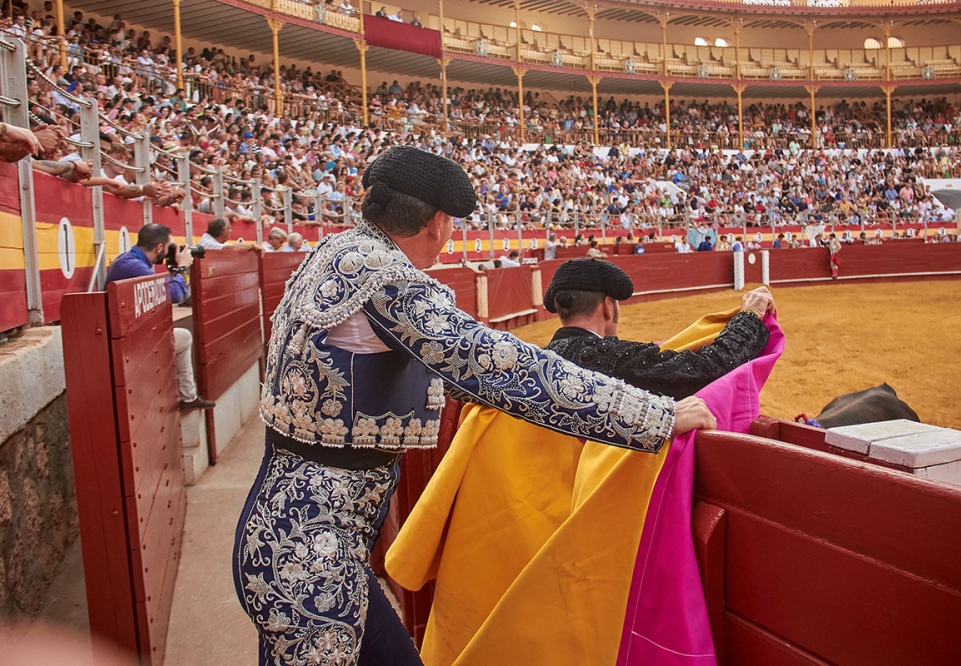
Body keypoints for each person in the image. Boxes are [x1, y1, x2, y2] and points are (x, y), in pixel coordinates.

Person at [233, 146, 714, 666]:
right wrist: (652, 415)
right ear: (438, 224)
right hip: (310, 551)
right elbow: (499, 367)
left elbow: (438, 374)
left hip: (299, 536)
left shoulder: (336, 252)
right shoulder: (387, 278)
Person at [543, 258, 774, 400]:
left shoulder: (540, 360)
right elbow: (708, 369)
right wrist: (749, 317)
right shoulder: (612, 359)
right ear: (607, 307)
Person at [105, 224, 215, 411]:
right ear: (159, 248)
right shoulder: (134, 266)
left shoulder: (129, 261)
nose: (168, 252)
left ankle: (187, 397)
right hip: (126, 342)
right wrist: (182, 267)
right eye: (168, 247)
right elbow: (175, 294)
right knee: (184, 338)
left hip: (126, 334)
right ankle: (188, 398)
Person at [196, 217, 261, 252]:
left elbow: (234, 246)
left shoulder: (218, 242)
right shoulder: (205, 242)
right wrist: (253, 246)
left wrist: (252, 248)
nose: (230, 231)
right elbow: (233, 248)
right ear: (223, 231)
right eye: (229, 228)